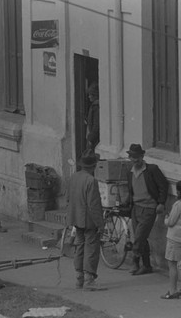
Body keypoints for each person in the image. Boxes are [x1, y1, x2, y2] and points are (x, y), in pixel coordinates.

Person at [125, 143, 169, 275]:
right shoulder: (130, 172)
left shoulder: (152, 170)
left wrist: (161, 202)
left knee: (138, 237)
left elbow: (163, 186)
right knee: (142, 237)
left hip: (149, 208)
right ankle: (147, 266)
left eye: (137, 157)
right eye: (132, 157)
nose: (135, 160)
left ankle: (135, 261)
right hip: (136, 208)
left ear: (142, 156)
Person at [67, 149, 105, 291]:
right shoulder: (91, 181)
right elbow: (94, 206)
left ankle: (79, 278)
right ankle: (89, 279)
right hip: (88, 220)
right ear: (93, 166)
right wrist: (100, 224)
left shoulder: (74, 177)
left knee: (80, 246)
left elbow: (68, 198)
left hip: (76, 218)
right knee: (91, 249)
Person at [85, 82, 100, 150]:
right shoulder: (94, 106)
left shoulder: (96, 107)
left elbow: (96, 125)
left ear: (95, 95)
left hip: (94, 138)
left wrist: (91, 139)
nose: (89, 96)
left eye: (91, 95)